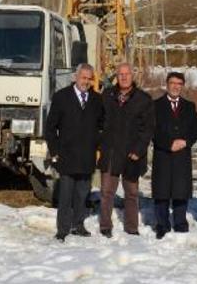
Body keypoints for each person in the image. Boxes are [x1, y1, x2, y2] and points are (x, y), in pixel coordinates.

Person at [45, 63, 103, 242]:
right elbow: (50, 128)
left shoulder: (96, 99)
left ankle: (78, 224)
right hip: (66, 155)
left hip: (87, 156)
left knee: (82, 194)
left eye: (89, 78)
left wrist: (98, 145)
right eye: (83, 78)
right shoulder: (61, 97)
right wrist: (55, 151)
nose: (86, 82)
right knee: (66, 195)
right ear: (75, 77)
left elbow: (102, 126)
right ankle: (62, 229)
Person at [98, 62, 155, 237]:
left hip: (132, 154)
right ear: (117, 76)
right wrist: (100, 144)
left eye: (127, 74)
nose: (123, 77)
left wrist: (138, 150)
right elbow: (99, 122)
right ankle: (105, 226)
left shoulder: (143, 99)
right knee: (107, 192)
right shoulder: (107, 96)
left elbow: (148, 129)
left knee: (131, 193)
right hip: (111, 153)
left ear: (133, 76)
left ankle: (131, 227)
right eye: (120, 74)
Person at [151, 71, 197, 240]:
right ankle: (162, 224)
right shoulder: (155, 105)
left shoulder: (189, 106)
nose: (176, 86)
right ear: (167, 84)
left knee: (181, 191)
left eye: (179, 84)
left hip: (182, 155)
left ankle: (180, 223)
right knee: (162, 191)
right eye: (173, 83)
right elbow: (152, 130)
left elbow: (196, 129)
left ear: (182, 86)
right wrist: (168, 144)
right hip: (163, 154)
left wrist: (185, 141)